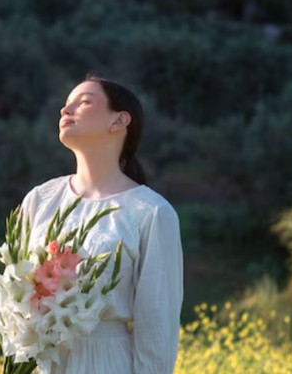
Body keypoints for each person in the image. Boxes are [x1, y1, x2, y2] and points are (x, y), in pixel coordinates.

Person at [19, 74, 184, 374]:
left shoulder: (151, 212)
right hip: (42, 361)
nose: (65, 110)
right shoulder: (39, 200)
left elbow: (157, 327)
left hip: (107, 363)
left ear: (119, 120)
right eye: (65, 104)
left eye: (83, 102)